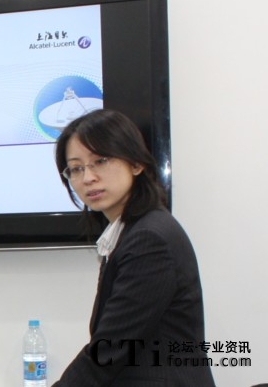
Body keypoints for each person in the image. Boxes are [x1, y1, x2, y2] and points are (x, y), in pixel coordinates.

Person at [51, 109, 215, 386]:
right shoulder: (131, 231)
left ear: (136, 164)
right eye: (76, 168)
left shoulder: (149, 240)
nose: (88, 177)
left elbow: (108, 352)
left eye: (100, 161)